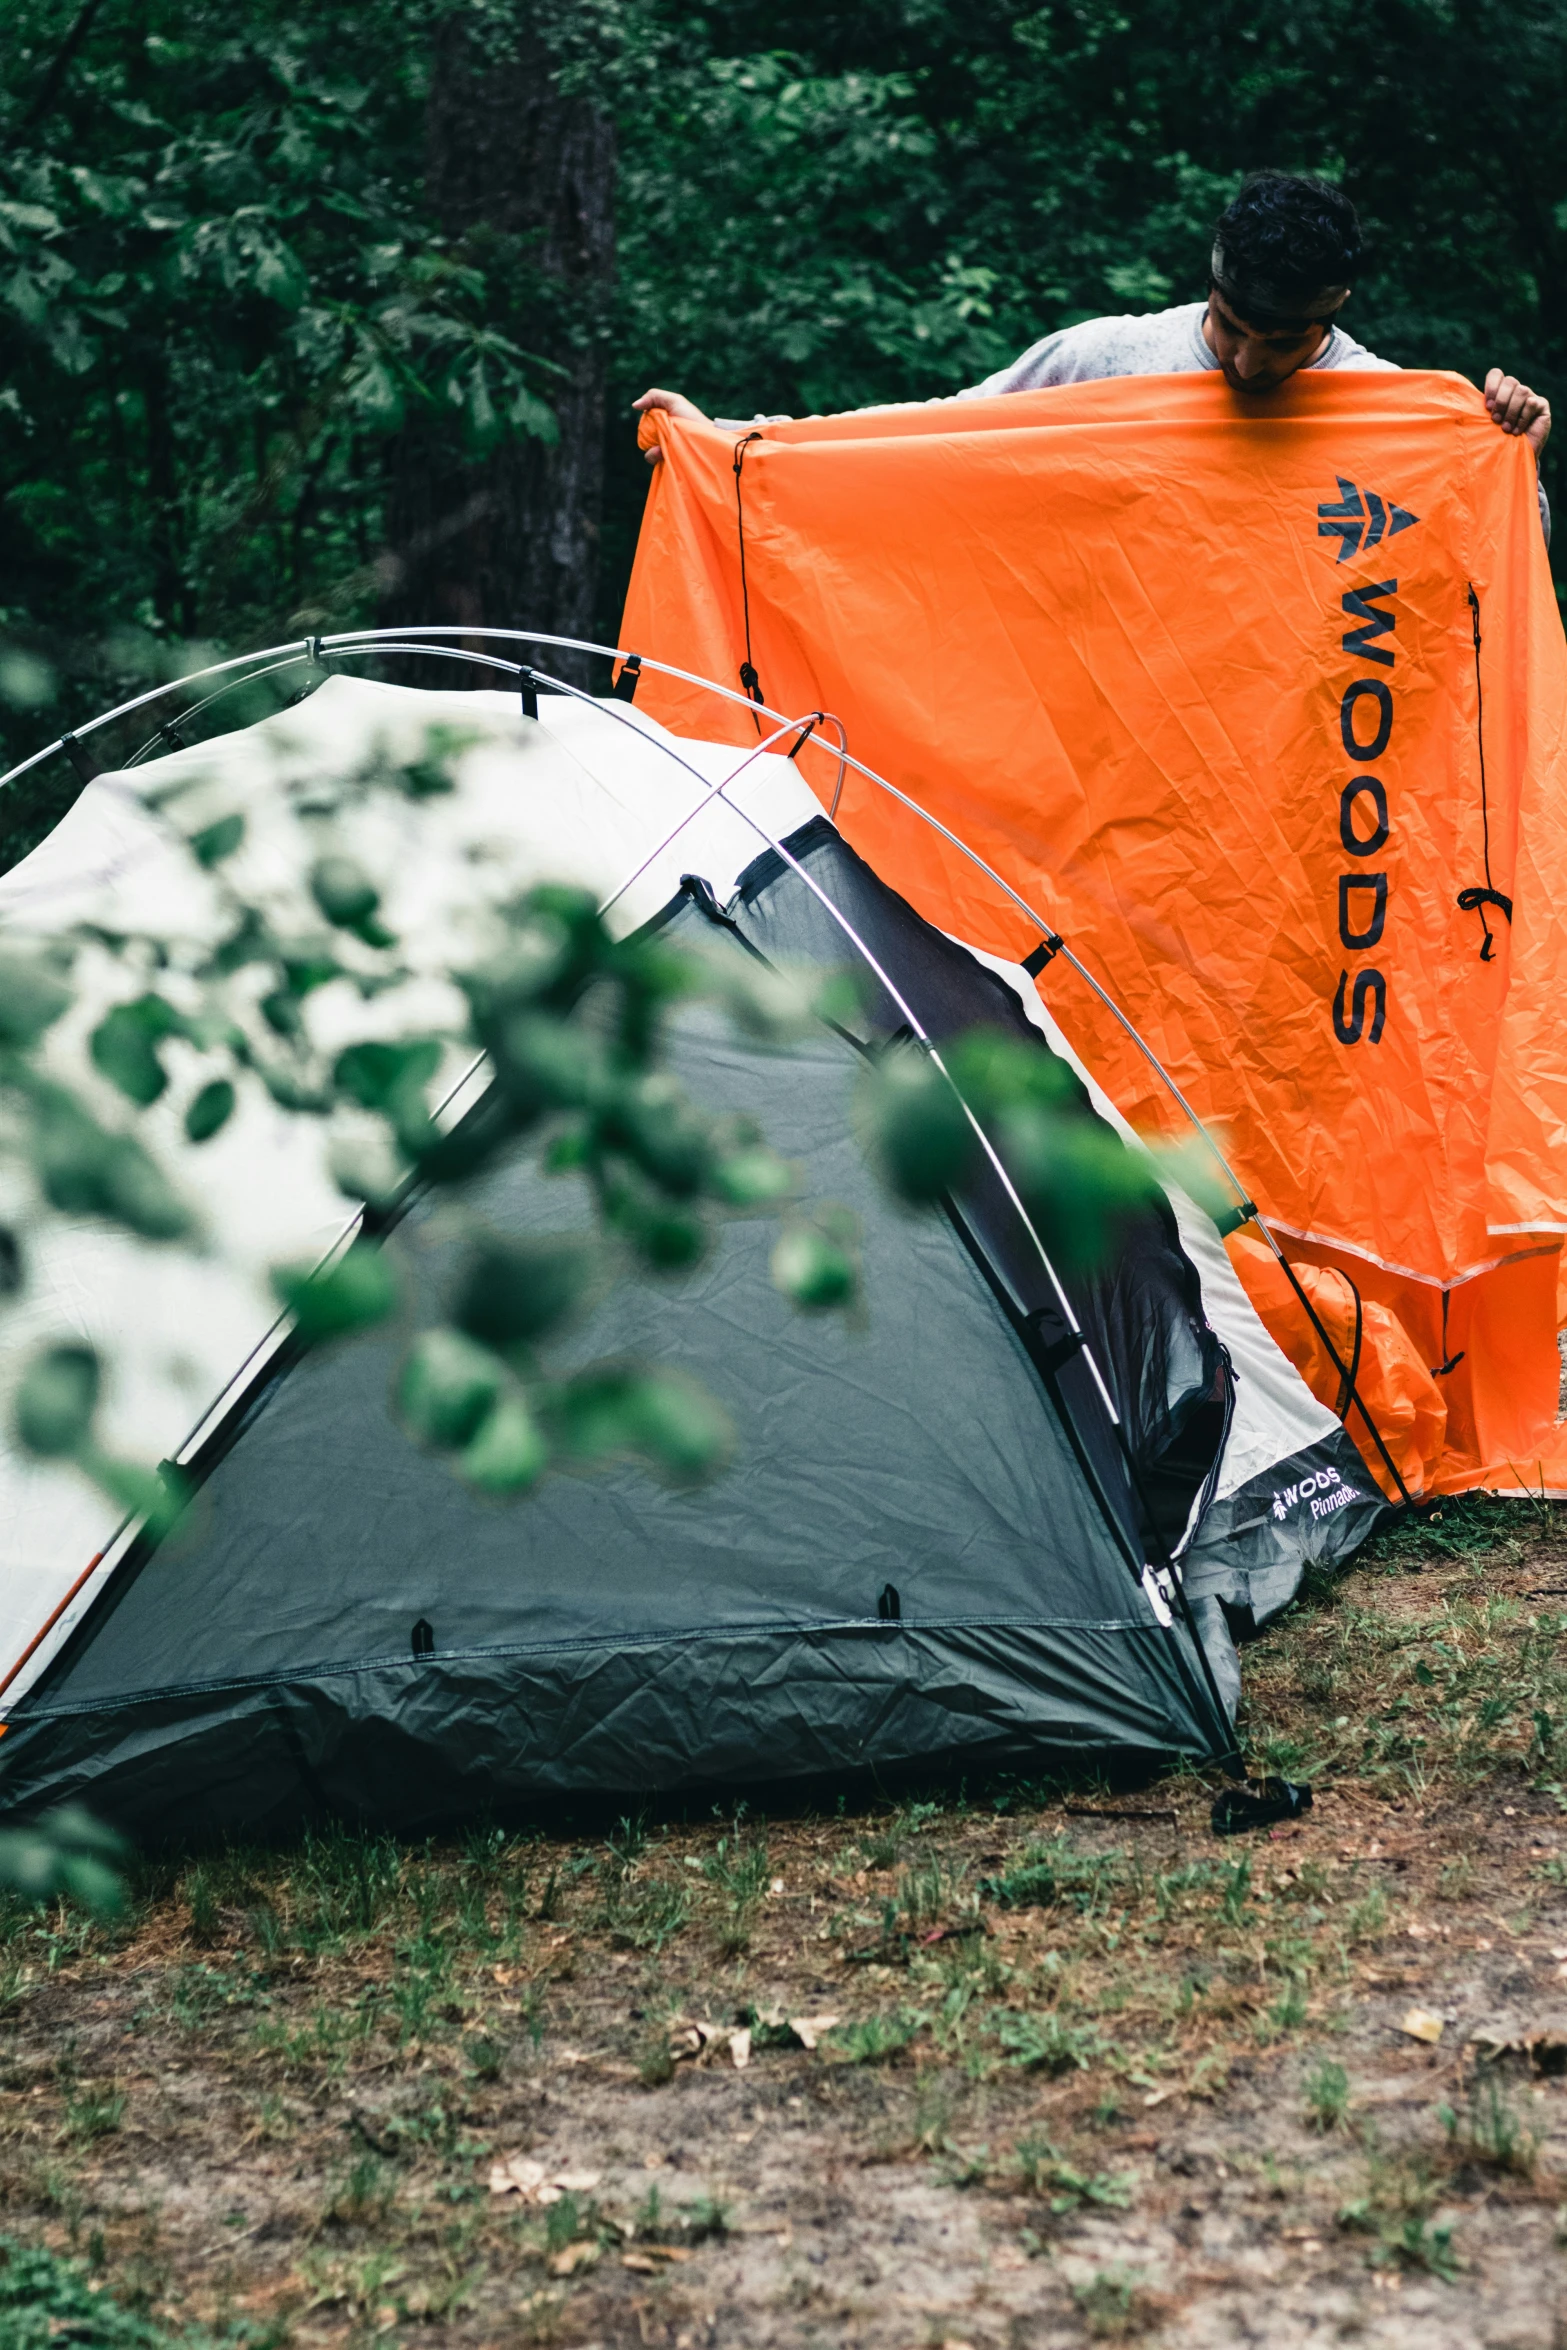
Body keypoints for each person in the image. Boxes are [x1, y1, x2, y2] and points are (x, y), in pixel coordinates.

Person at [634, 172, 1551, 539]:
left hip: (1288, 764)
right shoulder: (1111, 356)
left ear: (1335, 309)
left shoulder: (1391, 411)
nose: (1243, 365)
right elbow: (932, 434)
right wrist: (728, 438)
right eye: (1230, 325)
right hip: (1106, 737)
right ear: (1211, 281)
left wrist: (1517, 462)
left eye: (1281, 344)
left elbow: (1483, 561)